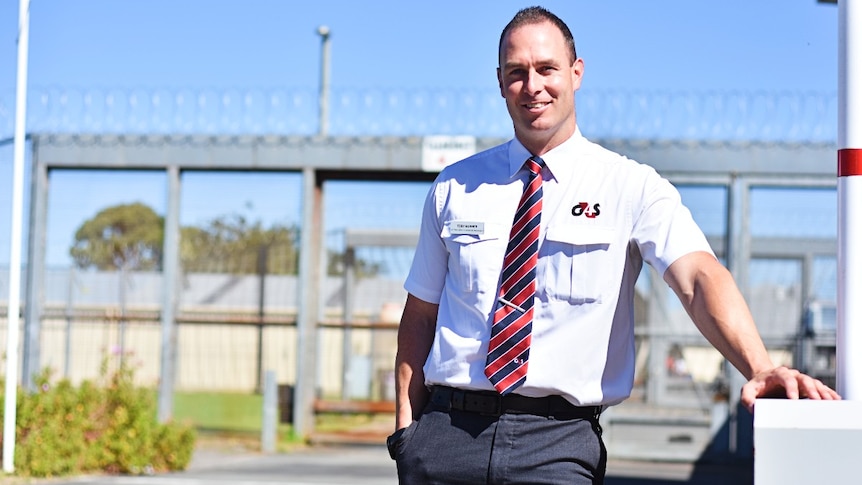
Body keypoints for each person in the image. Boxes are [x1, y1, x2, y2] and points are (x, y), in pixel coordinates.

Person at [388, 6, 840, 484]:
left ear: (576, 73)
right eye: (517, 73)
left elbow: (697, 278)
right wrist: (406, 432)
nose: (533, 85)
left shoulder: (630, 186)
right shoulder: (456, 186)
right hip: (444, 439)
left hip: (556, 446)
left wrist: (761, 366)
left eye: (547, 69)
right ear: (500, 81)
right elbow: (421, 314)